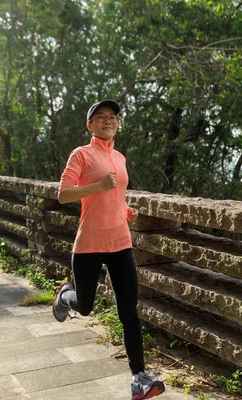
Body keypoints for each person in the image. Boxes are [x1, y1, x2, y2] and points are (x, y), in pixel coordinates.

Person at [53, 99, 165, 400]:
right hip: (89, 244)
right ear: (89, 125)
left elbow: (116, 194)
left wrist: (125, 210)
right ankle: (67, 296)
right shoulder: (81, 154)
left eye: (113, 117)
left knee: (129, 310)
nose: (108, 120)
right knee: (86, 306)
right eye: (100, 117)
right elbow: (63, 194)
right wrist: (98, 186)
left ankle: (139, 378)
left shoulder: (120, 157)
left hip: (120, 243)